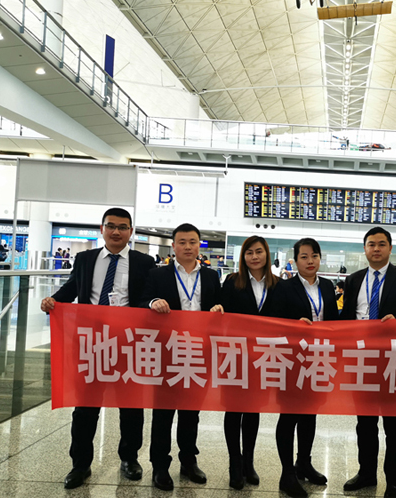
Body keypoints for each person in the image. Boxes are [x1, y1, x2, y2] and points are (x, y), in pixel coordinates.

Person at [39, 208, 156, 489]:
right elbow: (71, 289)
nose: (116, 232)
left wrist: (152, 305)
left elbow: (146, 297)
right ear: (101, 229)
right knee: (85, 407)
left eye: (123, 227)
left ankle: (129, 458)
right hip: (92, 343)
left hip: (128, 343)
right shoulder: (85, 259)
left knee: (131, 406)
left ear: (131, 232)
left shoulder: (144, 262)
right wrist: (53, 301)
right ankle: (80, 464)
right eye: (111, 226)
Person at [340, 226, 396, 498]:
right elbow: (345, 318)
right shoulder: (354, 280)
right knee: (364, 423)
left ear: (390, 248)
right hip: (362, 360)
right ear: (364, 248)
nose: (376, 249)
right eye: (371, 244)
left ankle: (394, 481)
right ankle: (366, 473)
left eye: (381, 244)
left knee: (394, 425)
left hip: (393, 361)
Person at [141, 223, 224, 491]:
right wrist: (152, 303)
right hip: (167, 352)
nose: (188, 247)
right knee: (163, 412)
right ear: (173, 246)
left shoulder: (211, 276)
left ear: (199, 245)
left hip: (198, 353)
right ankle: (160, 465)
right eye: (182, 242)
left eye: (192, 242)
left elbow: (220, 306)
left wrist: (219, 308)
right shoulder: (158, 274)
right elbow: (141, 301)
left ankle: (188, 461)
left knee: (191, 412)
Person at [273, 238, 339, 498]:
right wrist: (293, 325)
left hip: (319, 360)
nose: (310, 261)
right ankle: (286, 473)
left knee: (310, 413)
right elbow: (274, 322)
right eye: (304, 257)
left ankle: (304, 462)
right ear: (296, 260)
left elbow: (335, 321)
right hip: (291, 361)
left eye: (314, 256)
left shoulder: (327, 286)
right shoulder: (284, 287)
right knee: (289, 416)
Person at [221, 236, 281, 489]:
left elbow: (285, 317)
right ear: (243, 257)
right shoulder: (232, 282)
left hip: (262, 358)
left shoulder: (278, 285)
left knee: (253, 410)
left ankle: (248, 461)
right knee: (234, 410)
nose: (254, 257)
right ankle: (234, 463)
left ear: (267, 254)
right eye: (249, 253)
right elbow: (221, 312)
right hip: (235, 356)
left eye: (259, 251)